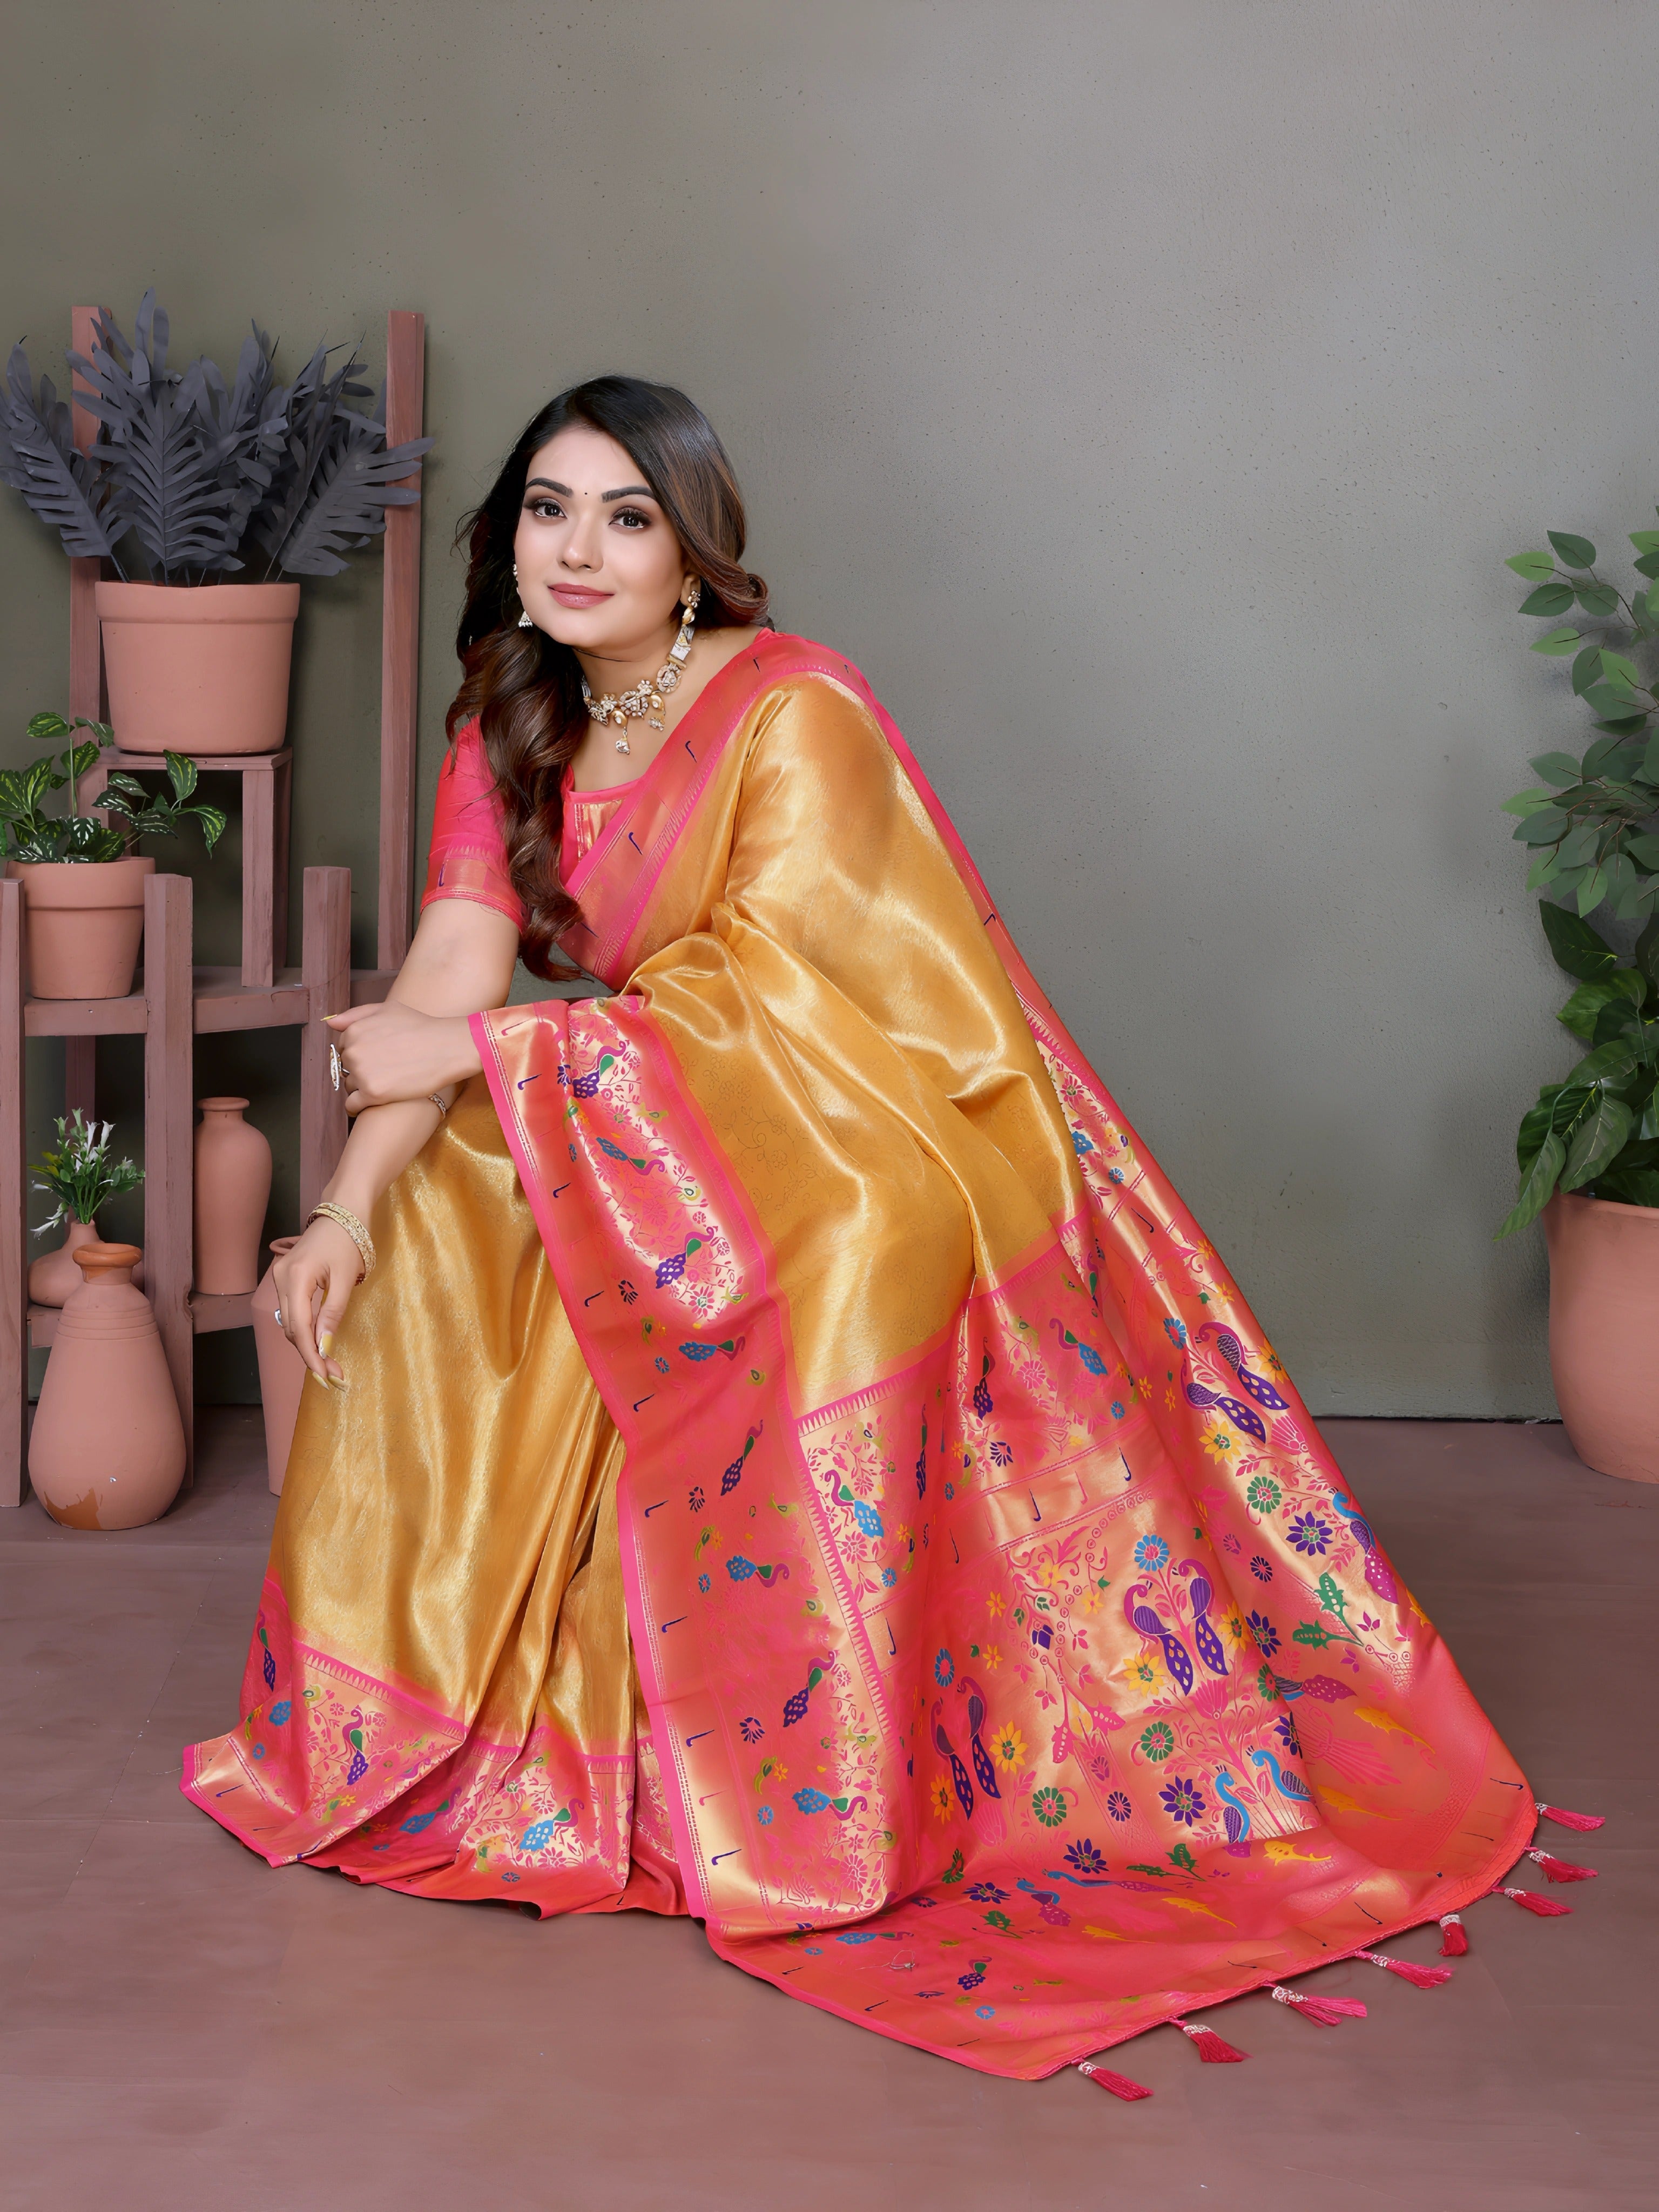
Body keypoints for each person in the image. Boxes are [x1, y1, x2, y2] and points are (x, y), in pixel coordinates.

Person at [185, 376, 1549, 2085]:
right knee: (451, 1198)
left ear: (693, 553)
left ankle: (812, 1789)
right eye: (547, 508)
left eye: (626, 515)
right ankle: (530, 1734)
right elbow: (452, 977)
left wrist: (486, 1052)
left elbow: (791, 992)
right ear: (506, 539)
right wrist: (338, 1212)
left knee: (784, 1248)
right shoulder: (506, 721)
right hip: (658, 1123)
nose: (580, 547)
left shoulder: (789, 708)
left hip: (877, 1137)